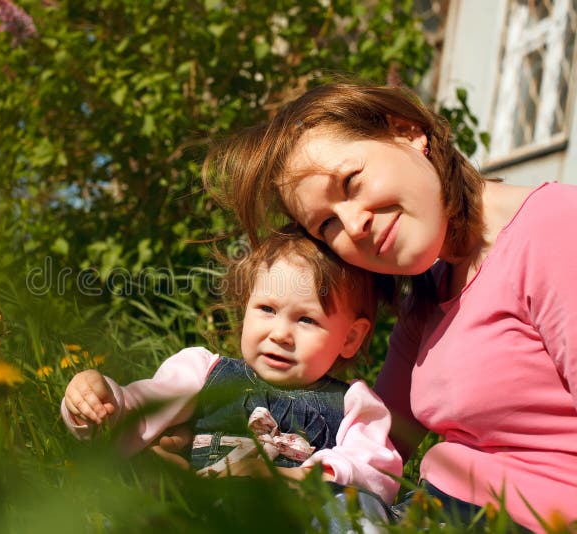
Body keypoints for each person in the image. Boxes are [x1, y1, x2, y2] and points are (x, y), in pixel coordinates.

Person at [202, 81, 577, 532]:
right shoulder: (430, 292)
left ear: (407, 132)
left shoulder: (555, 228)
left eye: (351, 182)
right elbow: (380, 441)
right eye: (327, 224)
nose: (354, 224)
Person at [61, 225, 403, 510]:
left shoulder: (352, 403)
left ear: (350, 337)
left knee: (352, 508)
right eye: (267, 309)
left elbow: (377, 470)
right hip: (207, 512)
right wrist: (97, 398)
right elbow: (141, 409)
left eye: (306, 319)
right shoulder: (204, 372)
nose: (280, 334)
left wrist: (296, 477)